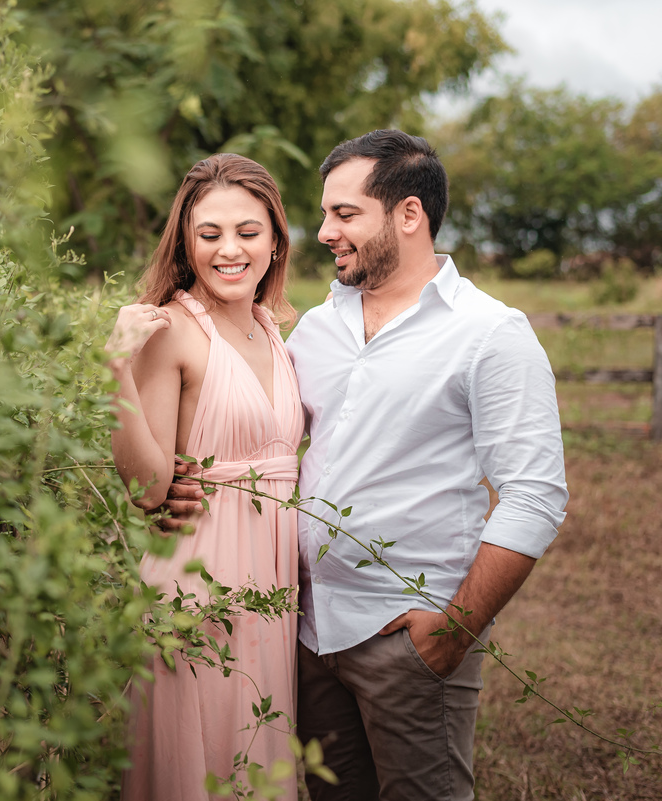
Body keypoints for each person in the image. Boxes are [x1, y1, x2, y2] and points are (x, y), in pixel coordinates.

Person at [163, 130, 568, 801]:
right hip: (306, 631)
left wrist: (451, 633)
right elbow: (263, 439)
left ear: (408, 214)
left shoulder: (490, 334)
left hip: (406, 638)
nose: (323, 231)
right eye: (324, 214)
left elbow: (535, 496)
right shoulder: (315, 327)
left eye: (344, 214)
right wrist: (185, 479)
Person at [104, 153, 304, 801]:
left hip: (271, 581)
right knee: (201, 757)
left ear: (275, 240)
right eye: (209, 233)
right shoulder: (173, 331)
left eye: (248, 231)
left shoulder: (275, 327)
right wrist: (113, 371)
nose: (230, 249)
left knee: (256, 746)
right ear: (186, 243)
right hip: (200, 579)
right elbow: (148, 488)